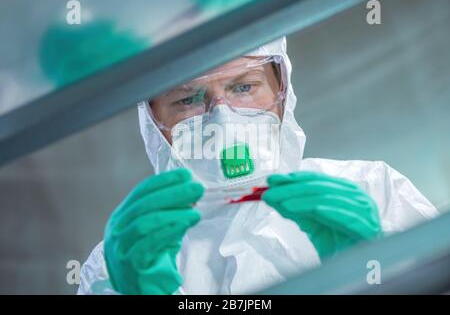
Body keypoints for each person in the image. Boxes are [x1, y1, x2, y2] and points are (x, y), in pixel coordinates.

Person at [77, 38, 439, 295]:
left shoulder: (374, 191)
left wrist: (385, 275)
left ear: (282, 93)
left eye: (244, 87)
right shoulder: (122, 260)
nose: (222, 118)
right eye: (188, 99)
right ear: (153, 122)